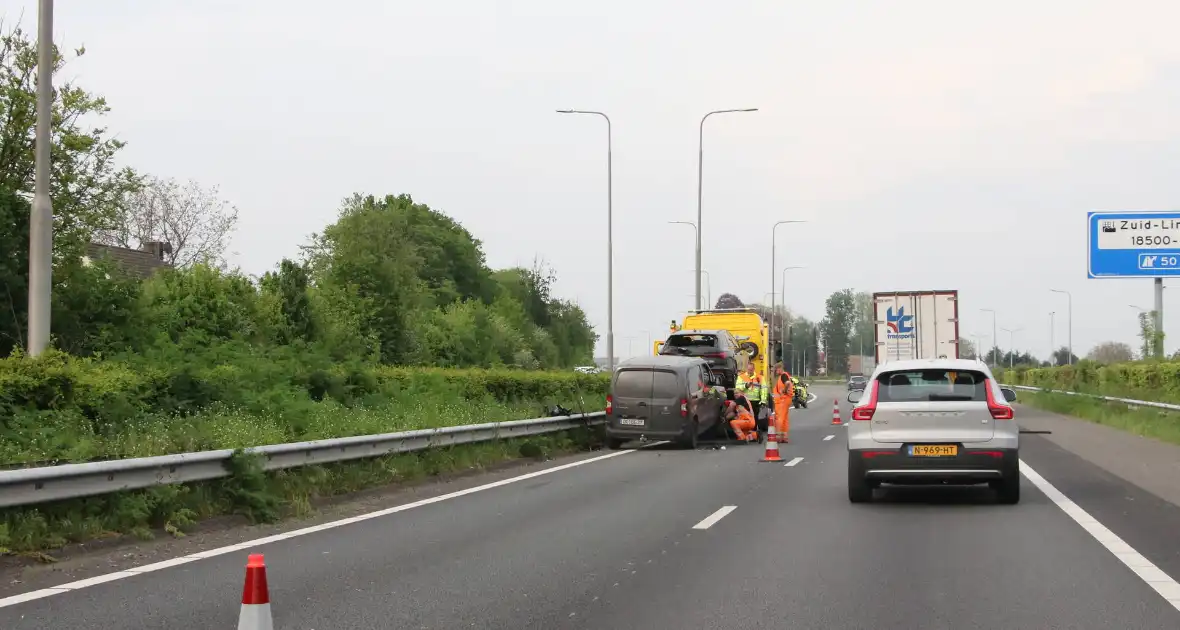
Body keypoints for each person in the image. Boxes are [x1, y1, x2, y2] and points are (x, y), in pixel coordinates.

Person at [773, 370, 795, 443]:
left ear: (779, 369)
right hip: (786, 400)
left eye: (774, 370)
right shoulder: (784, 376)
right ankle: (784, 437)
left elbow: (788, 383)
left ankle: (778, 437)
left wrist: (784, 391)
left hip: (782, 400)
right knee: (785, 419)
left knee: (780, 418)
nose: (774, 372)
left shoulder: (783, 376)